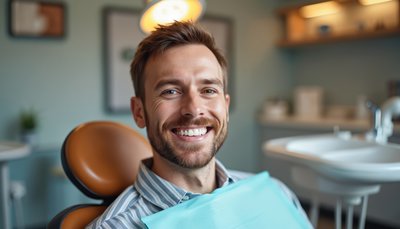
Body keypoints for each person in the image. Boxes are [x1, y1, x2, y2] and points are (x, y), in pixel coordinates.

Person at [87, 21, 310, 229]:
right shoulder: (119, 226)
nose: (193, 109)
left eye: (209, 90)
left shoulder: (275, 193)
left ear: (225, 105)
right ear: (139, 112)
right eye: (170, 91)